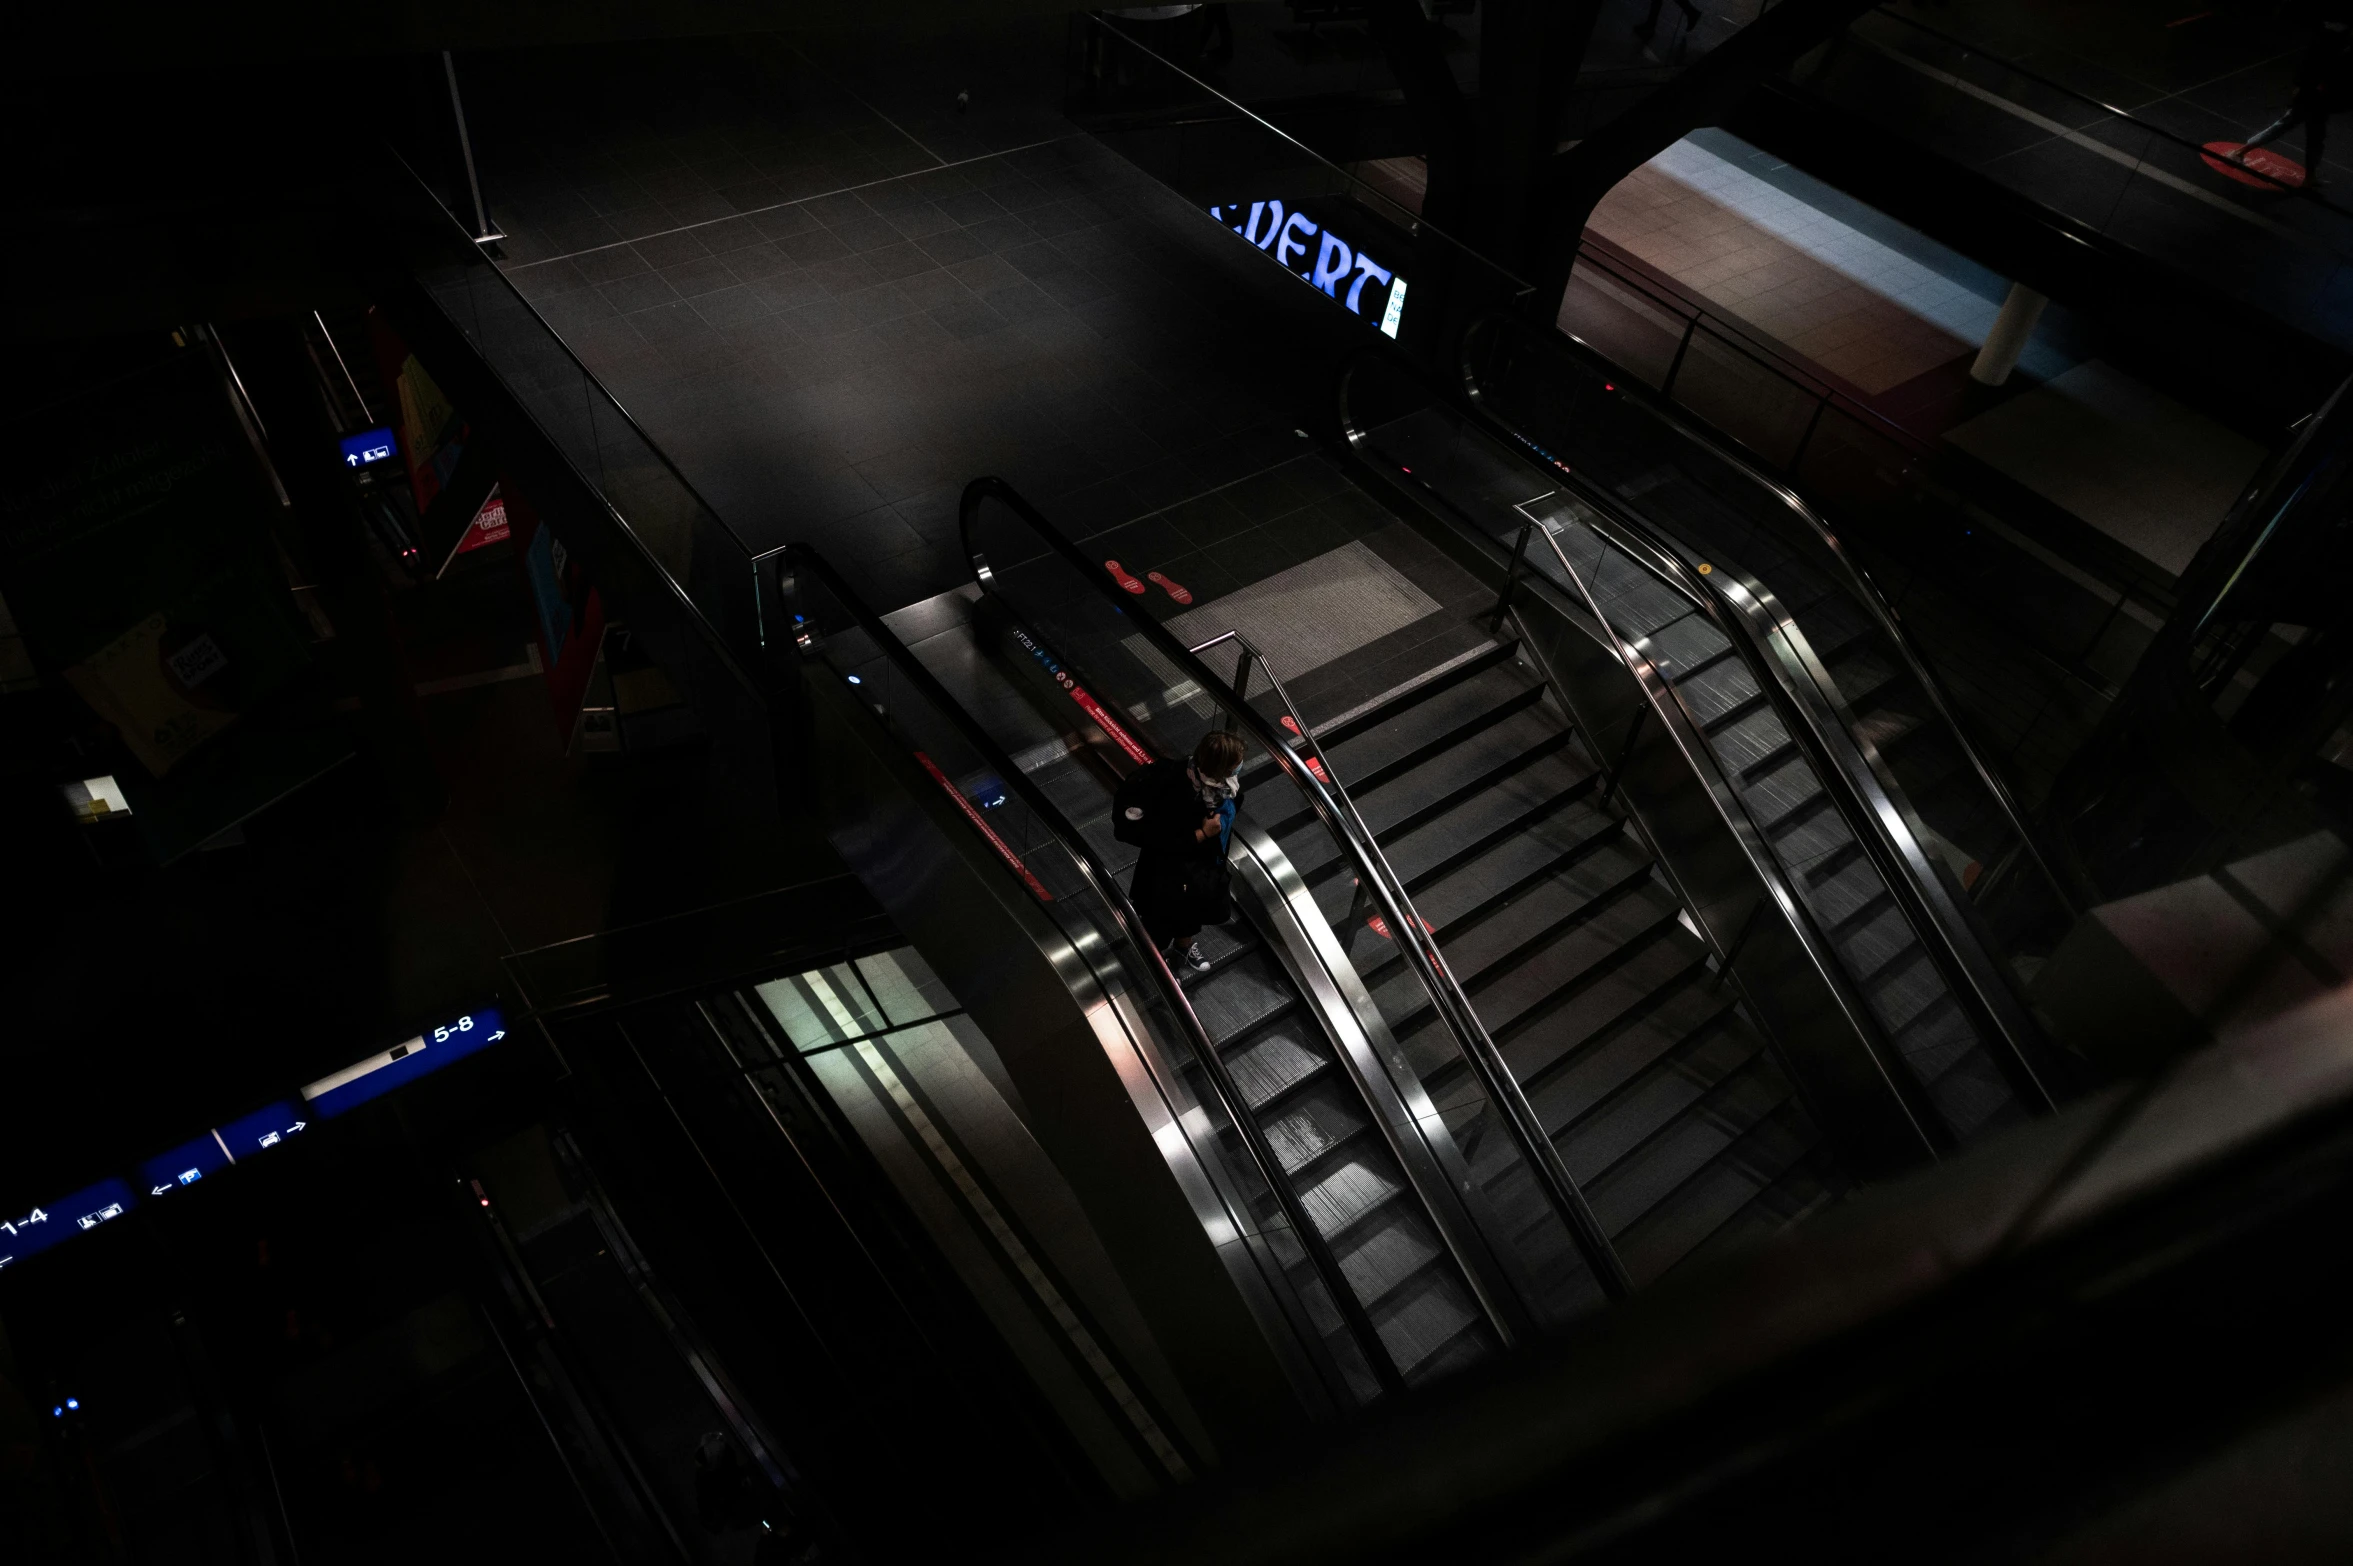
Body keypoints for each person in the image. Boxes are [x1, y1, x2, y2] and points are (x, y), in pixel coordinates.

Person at [1114, 730, 1247, 974]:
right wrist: (1203, 834)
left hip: (1203, 867)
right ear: (1221, 769)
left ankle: (1183, 945)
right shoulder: (1171, 787)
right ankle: (1154, 961)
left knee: (1192, 909)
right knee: (1159, 923)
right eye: (1235, 765)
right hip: (1166, 874)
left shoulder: (1224, 788)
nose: (1239, 769)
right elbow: (1155, 838)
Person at [2232, 1, 2353, 189]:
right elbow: (2326, 67)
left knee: (2298, 130)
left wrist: (2302, 85)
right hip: (2316, 95)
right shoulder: (2336, 42)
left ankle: (2243, 152)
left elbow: (2313, 64)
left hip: (2315, 93)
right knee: (2299, 131)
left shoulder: (2328, 37)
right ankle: (2241, 151)